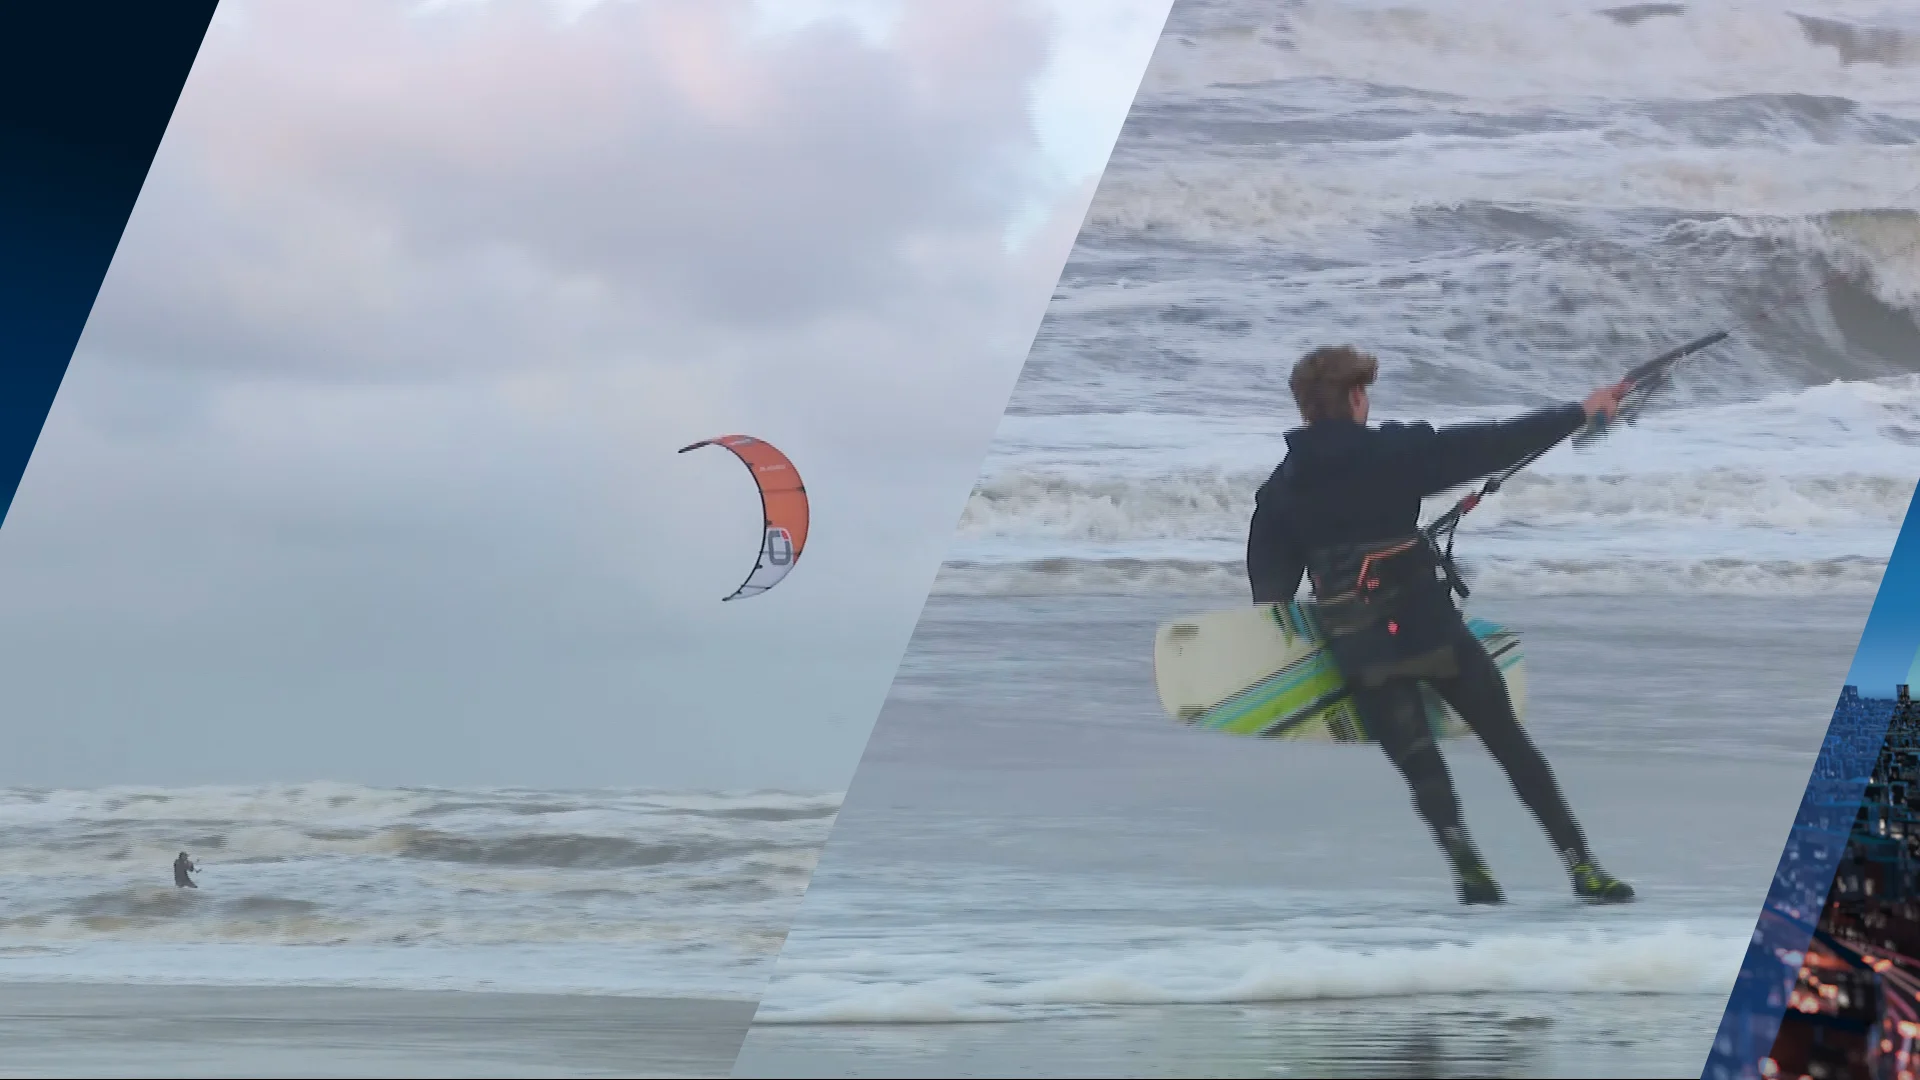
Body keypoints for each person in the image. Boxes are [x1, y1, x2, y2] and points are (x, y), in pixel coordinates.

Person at [1246, 344, 1636, 906]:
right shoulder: (1398, 452)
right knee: (1509, 743)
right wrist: (1580, 412)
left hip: (1360, 647)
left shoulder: (1279, 490)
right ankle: (1582, 865)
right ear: (1357, 397)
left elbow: (1271, 595)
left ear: (1306, 409)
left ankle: (1468, 867)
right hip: (1430, 630)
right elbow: (1492, 442)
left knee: (1417, 759)